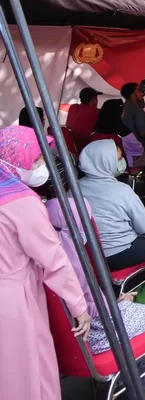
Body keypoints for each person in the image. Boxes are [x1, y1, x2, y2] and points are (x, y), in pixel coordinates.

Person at [45, 198, 145, 400]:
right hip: (99, 334)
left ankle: (135, 379)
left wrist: (115, 302)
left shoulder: (50, 255)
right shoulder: (71, 260)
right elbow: (87, 307)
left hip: (72, 345)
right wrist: (116, 305)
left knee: (139, 315)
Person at [0, 126, 91, 400]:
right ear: (14, 162)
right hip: (15, 300)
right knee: (31, 375)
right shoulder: (22, 202)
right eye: (36, 159)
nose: (42, 165)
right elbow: (54, 260)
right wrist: (80, 306)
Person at [78, 140, 145, 315]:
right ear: (105, 161)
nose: (122, 163)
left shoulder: (73, 190)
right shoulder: (122, 190)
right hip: (119, 254)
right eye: (119, 158)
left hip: (86, 257)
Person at [94, 99, 145, 186]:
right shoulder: (122, 130)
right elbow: (137, 147)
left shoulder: (97, 129)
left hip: (102, 161)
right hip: (123, 161)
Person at [121, 82, 145, 147]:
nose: (141, 93)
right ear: (132, 94)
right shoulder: (137, 109)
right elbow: (142, 133)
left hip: (125, 144)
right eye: (138, 90)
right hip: (138, 145)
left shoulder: (123, 107)